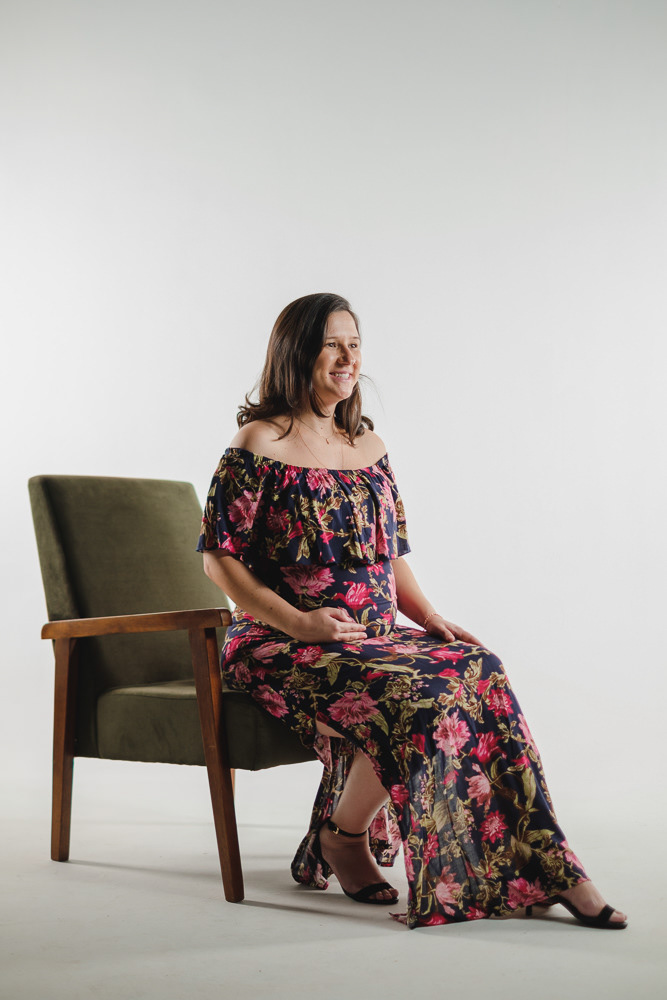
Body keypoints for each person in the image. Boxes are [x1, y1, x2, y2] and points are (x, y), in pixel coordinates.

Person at [197, 292, 627, 929]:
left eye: (355, 344)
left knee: (480, 666)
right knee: (419, 693)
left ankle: (543, 867)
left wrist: (427, 617)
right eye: (331, 345)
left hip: (372, 636)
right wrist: (299, 622)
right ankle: (343, 838)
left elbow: (389, 553)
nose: (348, 358)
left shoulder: (367, 445)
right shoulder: (259, 441)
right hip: (280, 641)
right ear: (296, 352)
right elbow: (219, 559)